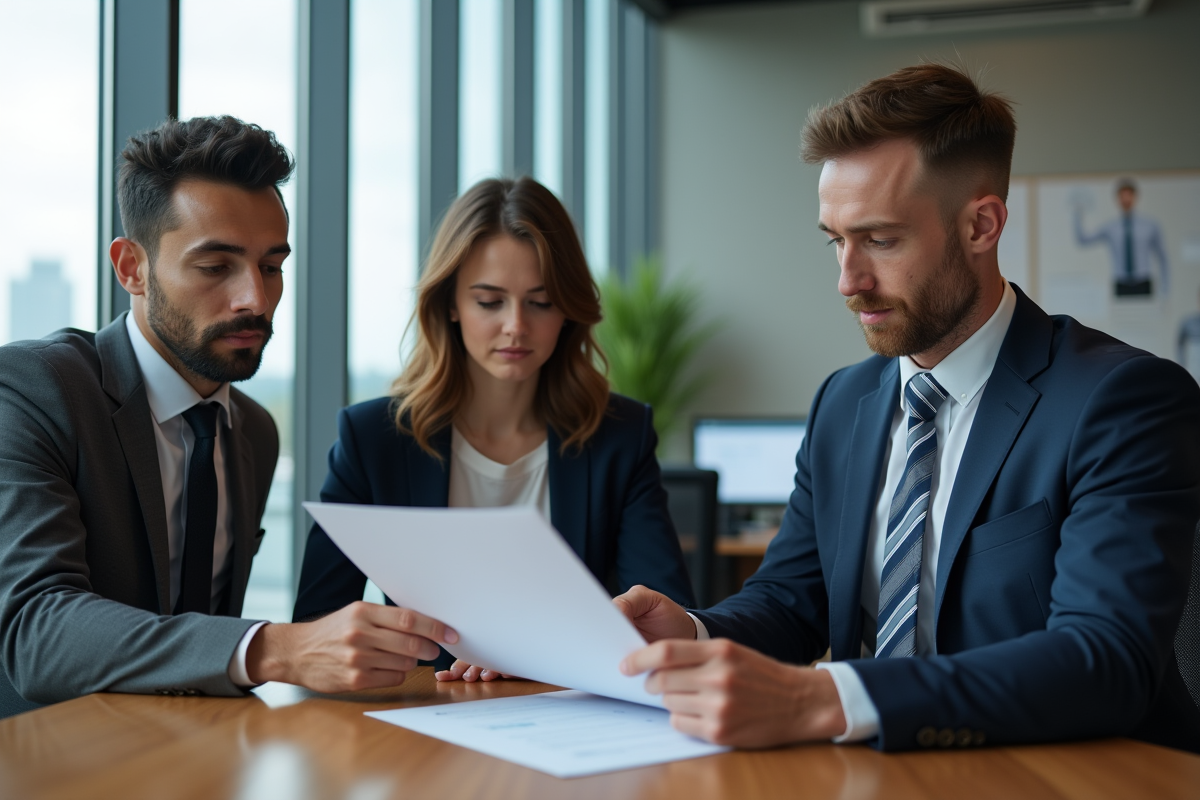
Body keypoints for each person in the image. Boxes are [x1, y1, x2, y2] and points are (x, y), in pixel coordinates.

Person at [615, 65, 1200, 754]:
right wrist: (689, 630)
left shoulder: (1123, 400)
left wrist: (832, 698)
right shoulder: (845, 402)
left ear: (982, 224)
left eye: (881, 239)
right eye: (836, 240)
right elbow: (790, 600)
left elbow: (1105, 660)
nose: (847, 280)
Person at [0, 116, 457, 718]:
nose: (255, 299)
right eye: (216, 267)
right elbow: (36, 632)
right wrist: (275, 647)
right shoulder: (34, 389)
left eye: (271, 266)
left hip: (201, 757)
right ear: (131, 268)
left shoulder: (253, 432)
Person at [293, 177, 696, 681]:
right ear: (451, 307)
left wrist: (533, 654)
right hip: (423, 714)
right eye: (489, 301)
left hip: (568, 708)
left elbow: (666, 615)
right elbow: (314, 628)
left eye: (541, 302)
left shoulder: (620, 434)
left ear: (568, 311)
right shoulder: (373, 438)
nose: (516, 326)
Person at [1074, 178, 1169, 298]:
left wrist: (1165, 288)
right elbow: (1083, 240)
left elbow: (1163, 257)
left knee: (1145, 315)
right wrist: (1077, 213)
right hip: (1121, 283)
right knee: (1122, 315)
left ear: (1135, 197)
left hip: (1143, 282)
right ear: (1117, 199)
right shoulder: (1110, 227)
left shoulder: (1150, 225)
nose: (1126, 200)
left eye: (1129, 196)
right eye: (1122, 196)